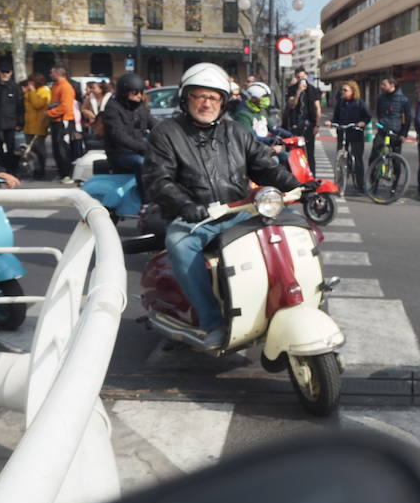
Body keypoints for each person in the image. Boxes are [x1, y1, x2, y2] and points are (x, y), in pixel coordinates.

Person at [143, 63, 301, 349]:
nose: (206, 103)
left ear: (223, 101)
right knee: (180, 244)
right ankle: (212, 321)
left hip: (239, 210)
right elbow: (158, 178)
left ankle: (295, 298)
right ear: (185, 98)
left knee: (294, 224)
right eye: (199, 96)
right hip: (197, 218)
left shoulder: (236, 131)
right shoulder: (166, 133)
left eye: (213, 97)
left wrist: (296, 185)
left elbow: (264, 167)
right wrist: (185, 204)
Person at [102, 73, 155, 199]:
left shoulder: (140, 106)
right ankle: (147, 202)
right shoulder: (112, 107)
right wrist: (142, 148)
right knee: (142, 163)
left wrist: (171, 131)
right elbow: (118, 135)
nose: (139, 96)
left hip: (138, 148)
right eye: (135, 93)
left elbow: (152, 122)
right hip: (119, 152)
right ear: (125, 93)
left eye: (141, 93)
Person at [327, 80, 371, 186]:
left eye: (346, 90)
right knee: (340, 157)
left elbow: (367, 116)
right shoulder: (341, 103)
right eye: (343, 90)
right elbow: (336, 117)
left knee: (358, 158)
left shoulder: (359, 103)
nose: (343, 92)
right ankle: (340, 180)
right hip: (343, 132)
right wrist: (332, 123)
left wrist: (362, 123)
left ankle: (360, 184)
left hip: (356, 133)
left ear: (353, 91)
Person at [284, 69, 322, 174]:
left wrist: (317, 125)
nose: (301, 80)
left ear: (306, 76)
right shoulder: (292, 89)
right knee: (293, 151)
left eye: (303, 77)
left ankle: (312, 175)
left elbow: (317, 108)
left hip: (309, 124)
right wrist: (298, 92)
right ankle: (293, 174)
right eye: (299, 77)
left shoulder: (313, 89)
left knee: (310, 152)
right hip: (295, 124)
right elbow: (292, 105)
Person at [46, 66, 76, 184]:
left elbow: (65, 106)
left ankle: (67, 174)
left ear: (58, 73)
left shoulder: (66, 87)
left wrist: (50, 113)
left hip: (64, 121)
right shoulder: (55, 86)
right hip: (55, 121)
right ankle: (61, 173)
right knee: (57, 149)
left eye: (52, 72)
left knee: (63, 148)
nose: (50, 74)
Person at [370, 77, 411, 164]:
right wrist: (380, 124)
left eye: (384, 85)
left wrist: (403, 134)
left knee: (396, 160)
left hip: (396, 132)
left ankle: (396, 177)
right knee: (374, 156)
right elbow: (378, 113)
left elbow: (407, 118)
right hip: (382, 131)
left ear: (392, 85)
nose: (382, 86)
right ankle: (372, 176)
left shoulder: (403, 100)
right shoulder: (381, 98)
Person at [22, 73, 51, 179]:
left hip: (39, 124)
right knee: (30, 150)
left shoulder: (44, 91)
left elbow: (37, 104)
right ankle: (33, 169)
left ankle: (41, 170)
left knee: (39, 150)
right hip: (29, 124)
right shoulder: (30, 91)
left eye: (31, 82)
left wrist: (33, 91)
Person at [0, 68, 24, 174]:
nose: (5, 74)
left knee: (11, 147)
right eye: (2, 72)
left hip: (10, 123)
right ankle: (0, 169)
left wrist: (20, 122)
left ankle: (12, 170)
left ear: (11, 73)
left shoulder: (15, 87)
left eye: (7, 72)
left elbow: (20, 106)